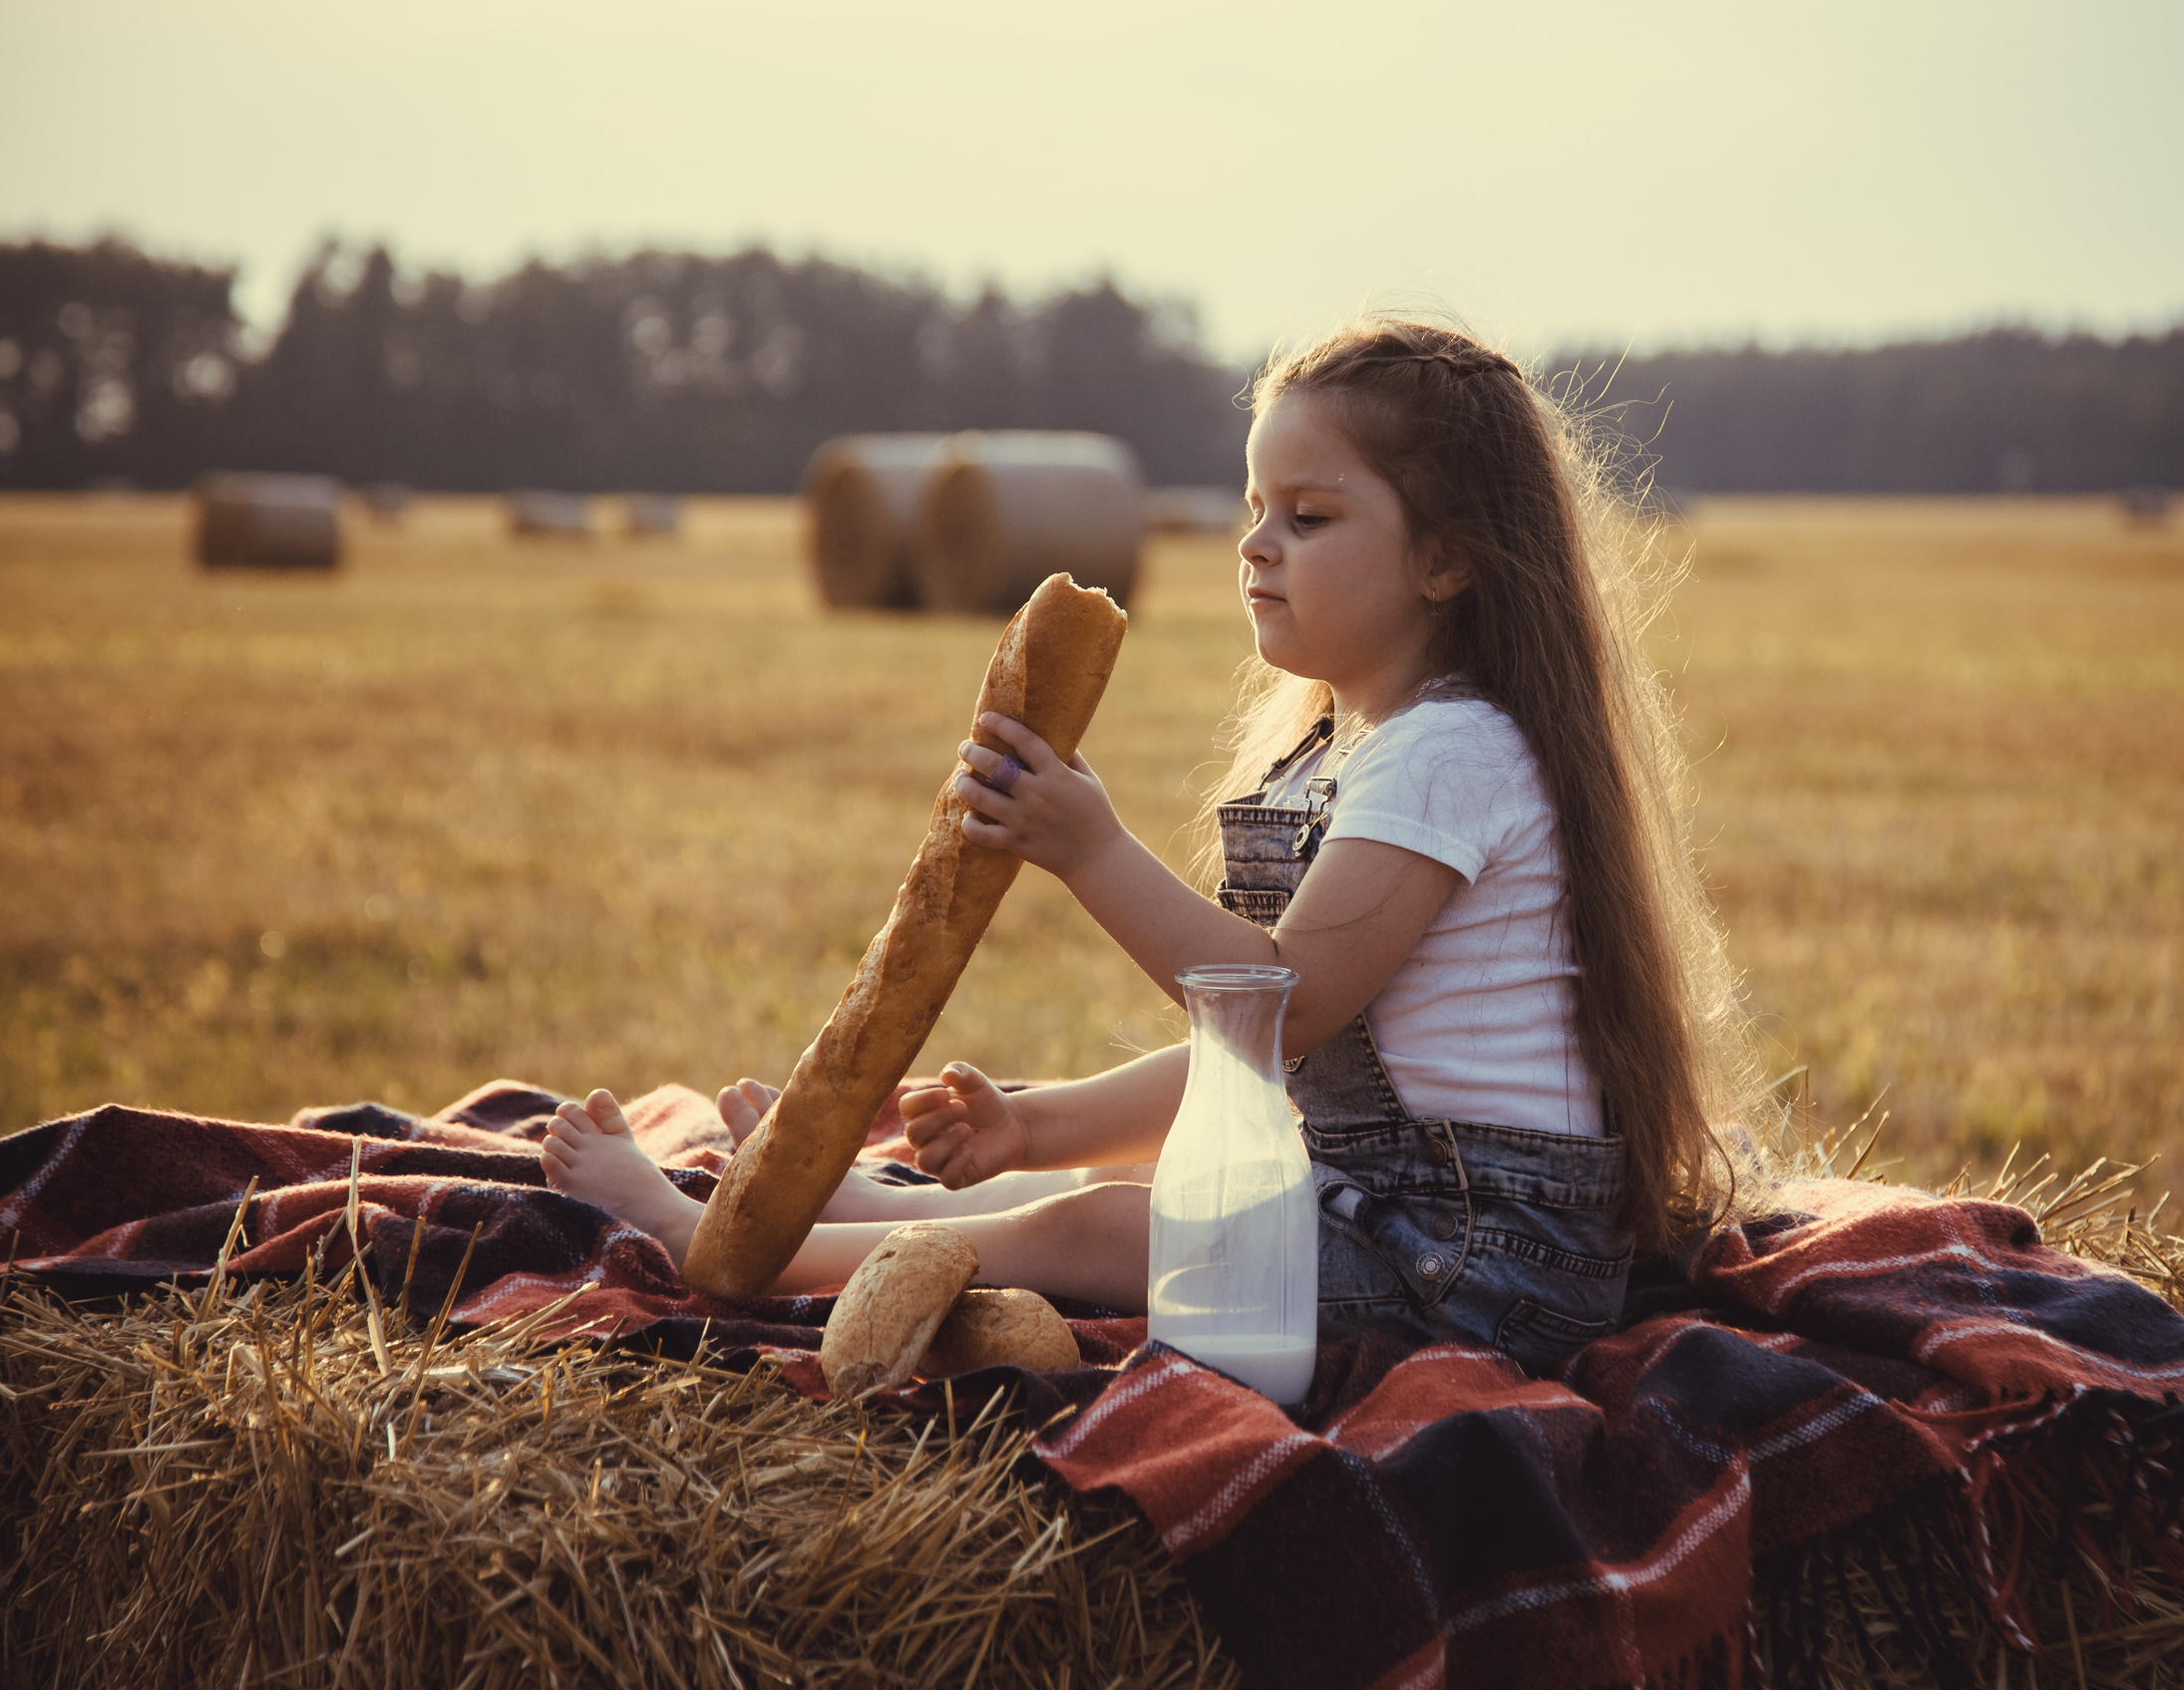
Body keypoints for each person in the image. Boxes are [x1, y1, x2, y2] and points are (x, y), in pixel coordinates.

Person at [545, 316, 1762, 1366]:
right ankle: (860, 1211)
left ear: (1445, 559)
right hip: (1391, 1210)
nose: (1256, 544)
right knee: (1107, 1187)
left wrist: (1091, 852)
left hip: (1486, 1269)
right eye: (1253, 509)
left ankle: (721, 1248)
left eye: (1309, 516)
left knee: (1103, 1228)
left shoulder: (1449, 753)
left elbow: (1284, 1009)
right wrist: (1039, 1127)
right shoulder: (1357, 750)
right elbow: (1259, 1066)